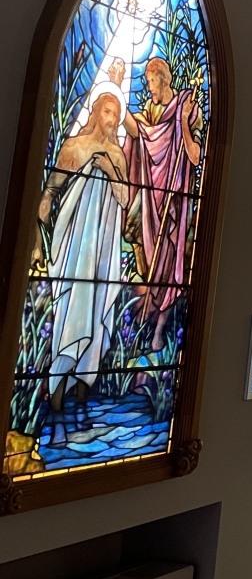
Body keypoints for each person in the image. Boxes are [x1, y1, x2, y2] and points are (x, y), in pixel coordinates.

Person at [35, 91, 131, 436]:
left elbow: (125, 199)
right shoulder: (74, 147)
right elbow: (50, 192)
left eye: (116, 115)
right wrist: (37, 244)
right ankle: (57, 393)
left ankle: (81, 395)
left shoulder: (117, 156)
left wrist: (110, 171)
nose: (112, 120)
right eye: (107, 112)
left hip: (102, 252)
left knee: (96, 315)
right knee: (72, 313)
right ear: (96, 113)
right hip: (74, 247)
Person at [123, 56, 201, 351]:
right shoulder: (150, 112)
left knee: (170, 265)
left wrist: (183, 122)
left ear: (164, 80)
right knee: (145, 256)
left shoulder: (186, 107)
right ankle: (143, 328)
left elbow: (195, 156)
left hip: (174, 204)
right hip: (150, 201)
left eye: (151, 81)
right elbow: (139, 134)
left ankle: (158, 331)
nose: (149, 87)